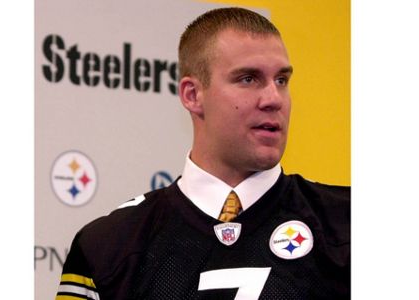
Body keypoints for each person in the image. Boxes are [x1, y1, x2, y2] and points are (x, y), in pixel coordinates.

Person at [56, 7, 350, 300]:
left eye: (281, 80)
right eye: (248, 79)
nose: (274, 99)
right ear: (192, 95)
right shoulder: (108, 245)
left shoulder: (349, 224)